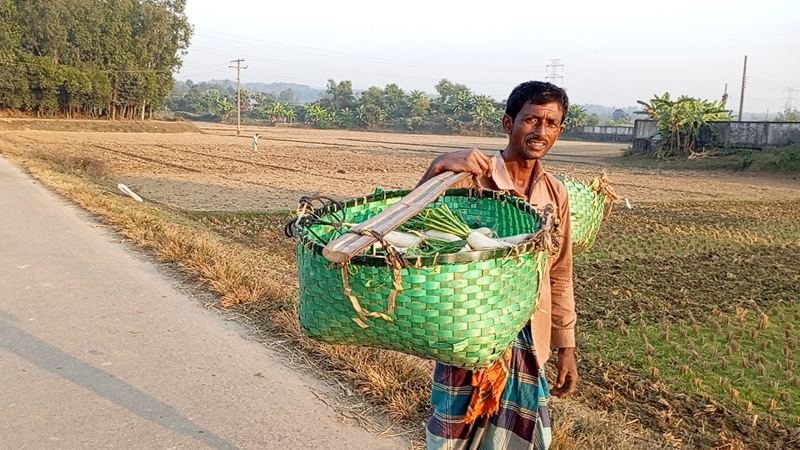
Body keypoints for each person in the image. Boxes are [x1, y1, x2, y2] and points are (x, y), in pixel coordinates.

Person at [420, 81, 577, 450]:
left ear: (559, 129)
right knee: (452, 440)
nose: (540, 132)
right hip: (467, 334)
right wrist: (436, 167)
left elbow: (560, 272)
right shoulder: (471, 176)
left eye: (551, 123)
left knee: (525, 440)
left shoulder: (555, 193)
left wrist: (566, 347)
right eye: (531, 120)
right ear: (509, 123)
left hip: (530, 339)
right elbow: (414, 228)